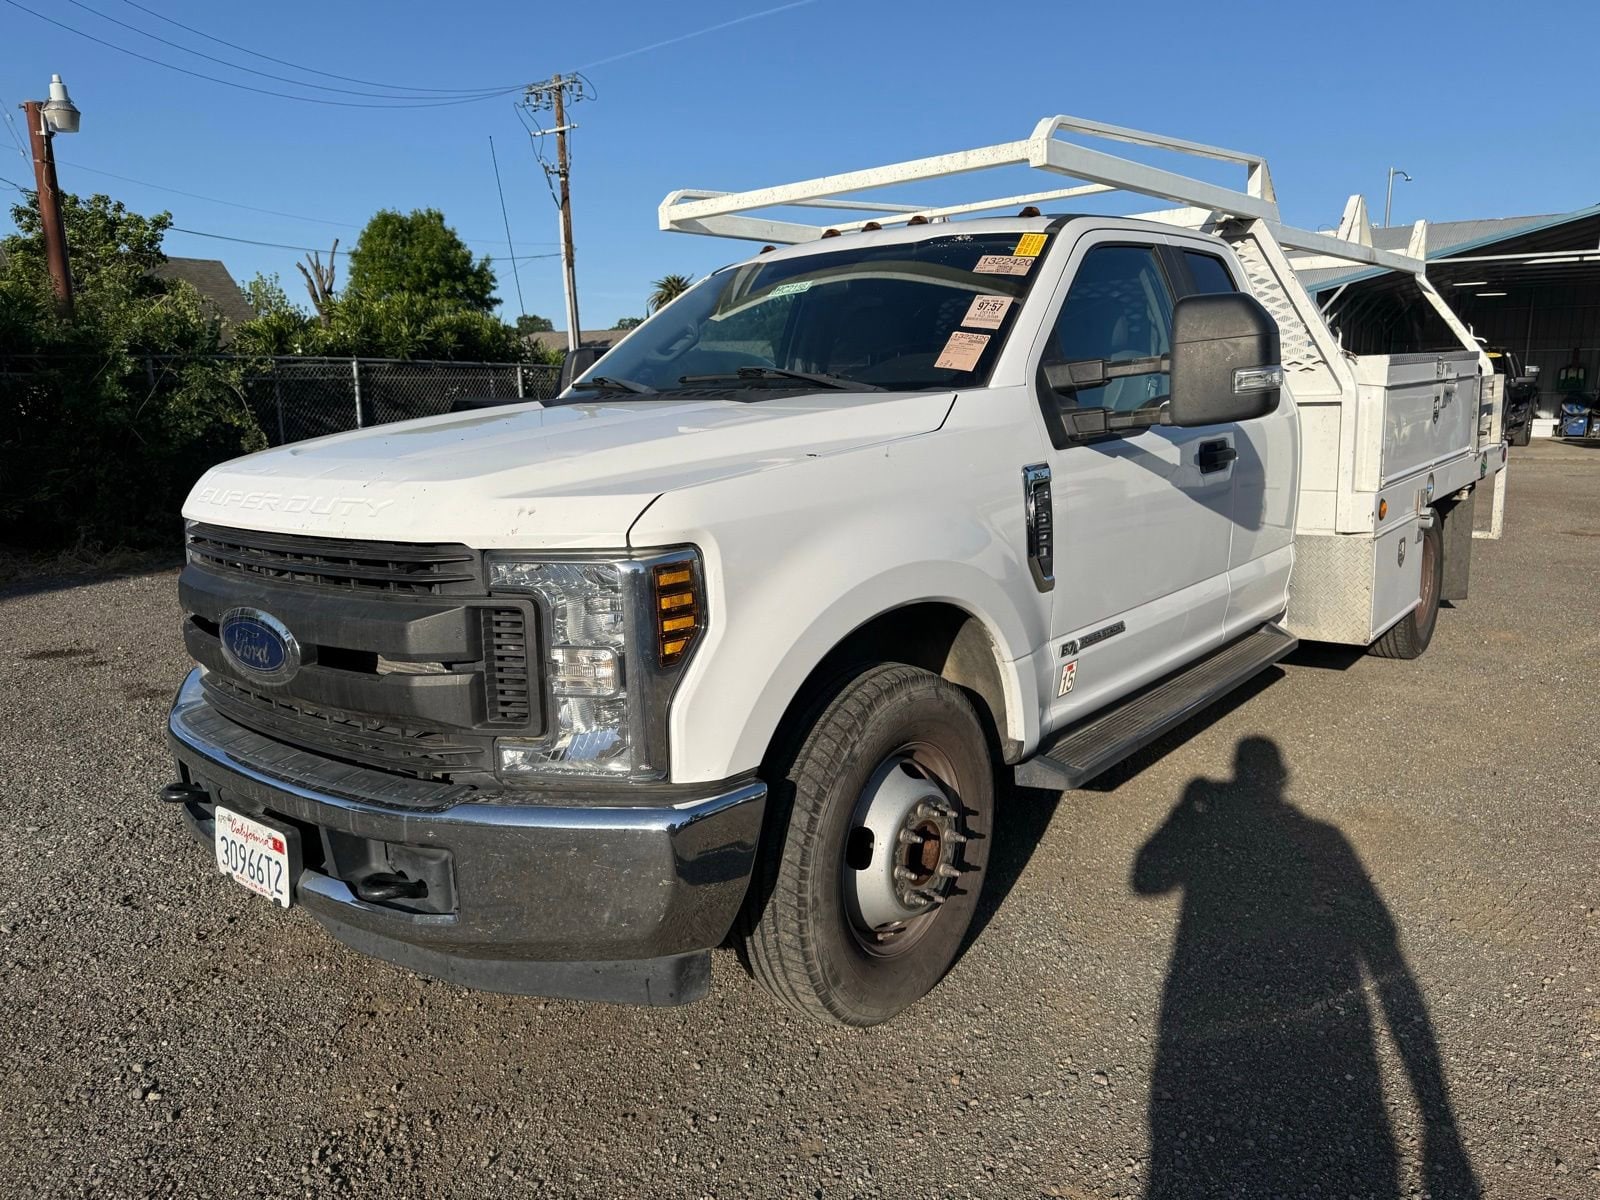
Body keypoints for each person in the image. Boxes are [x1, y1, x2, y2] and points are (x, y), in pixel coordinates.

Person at [1132, 738, 1479, 1198]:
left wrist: (1185, 811)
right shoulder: (1326, 839)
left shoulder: (1297, 834)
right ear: (1282, 779)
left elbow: (1147, 879)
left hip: (1204, 1037)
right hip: (1339, 1060)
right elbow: (1383, 948)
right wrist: (1437, 1117)